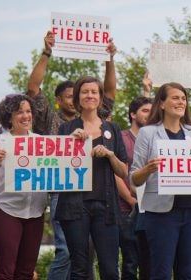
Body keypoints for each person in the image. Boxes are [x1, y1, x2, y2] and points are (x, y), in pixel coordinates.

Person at [27, 31, 117, 280]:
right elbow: (33, 88)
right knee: (67, 252)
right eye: (70, 95)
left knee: (87, 256)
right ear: (59, 100)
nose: (79, 98)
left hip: (97, 196)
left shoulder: (99, 119)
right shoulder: (51, 120)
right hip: (64, 193)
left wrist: (109, 59)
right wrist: (46, 52)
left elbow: (109, 91)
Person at [55, 76, 128, 279]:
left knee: (110, 268)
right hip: (74, 206)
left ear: (100, 97)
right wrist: (70, 143)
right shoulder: (66, 129)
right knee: (79, 268)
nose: (90, 95)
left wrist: (110, 154)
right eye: (85, 92)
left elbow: (123, 171)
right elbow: (56, 168)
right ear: (78, 97)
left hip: (106, 207)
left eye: (94, 92)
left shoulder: (112, 129)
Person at [130, 82, 191, 279]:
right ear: (161, 104)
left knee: (189, 273)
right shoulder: (148, 133)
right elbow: (134, 178)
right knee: (161, 272)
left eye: (183, 98)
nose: (181, 102)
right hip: (161, 214)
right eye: (175, 97)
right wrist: (149, 169)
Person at [0, 94, 47, 279]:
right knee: (6, 270)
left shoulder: (43, 142)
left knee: (26, 272)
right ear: (9, 116)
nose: (25, 116)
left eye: (28, 111)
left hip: (35, 211)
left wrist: (77, 138)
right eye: (19, 112)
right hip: (5, 209)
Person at [115, 96, 152, 280]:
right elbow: (116, 174)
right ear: (133, 114)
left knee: (149, 261)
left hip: (152, 208)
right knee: (130, 261)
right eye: (145, 110)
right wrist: (131, 200)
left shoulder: (155, 138)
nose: (149, 114)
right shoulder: (121, 138)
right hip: (126, 208)